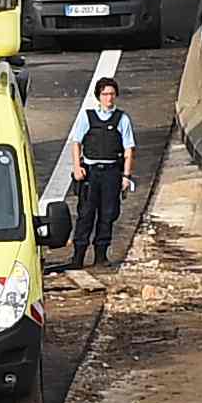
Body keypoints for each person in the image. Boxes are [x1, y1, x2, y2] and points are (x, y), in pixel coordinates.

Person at [66, 73, 135, 270]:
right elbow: (76, 142)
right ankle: (78, 256)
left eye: (112, 94)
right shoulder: (87, 117)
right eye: (105, 94)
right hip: (90, 173)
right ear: (99, 96)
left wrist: (126, 176)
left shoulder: (122, 119)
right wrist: (77, 167)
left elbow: (129, 148)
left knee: (108, 214)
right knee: (86, 214)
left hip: (112, 173)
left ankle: (101, 256)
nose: (109, 98)